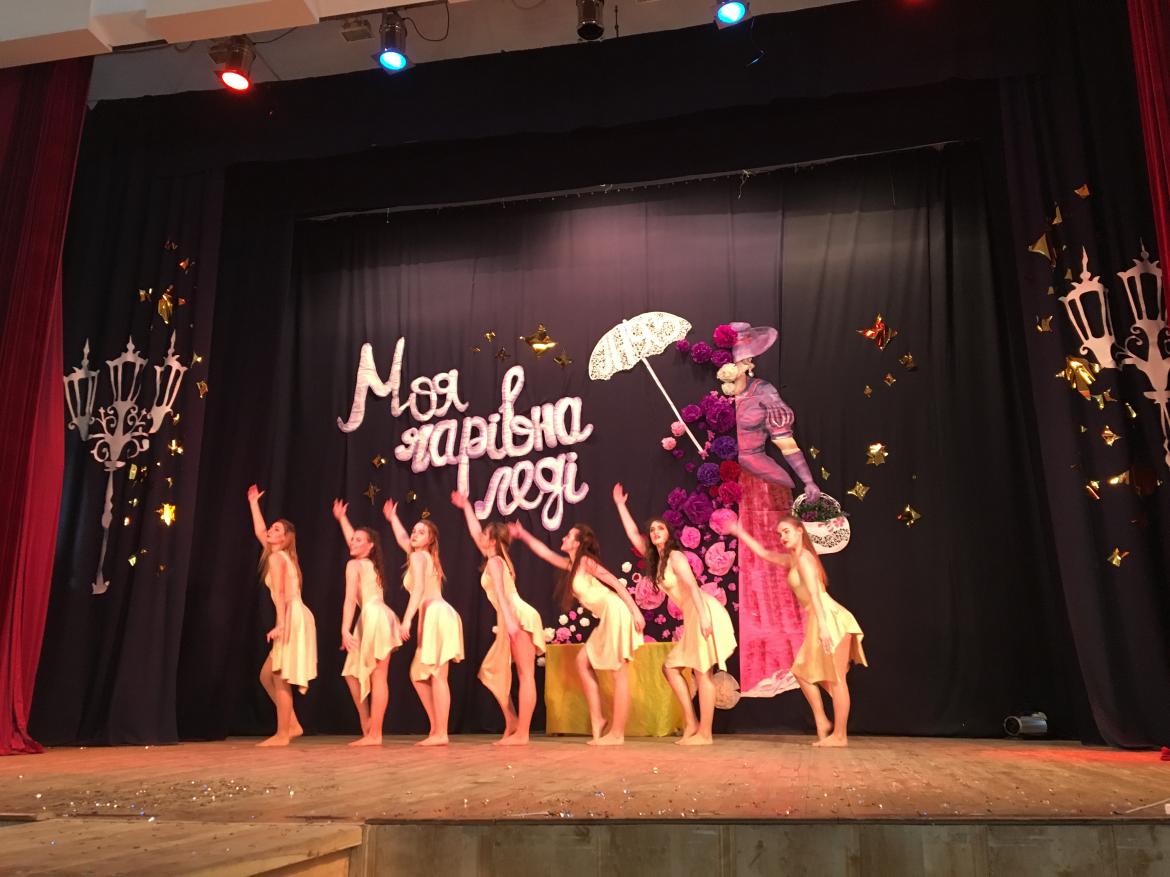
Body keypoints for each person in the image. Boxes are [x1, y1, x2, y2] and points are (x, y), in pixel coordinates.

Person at [612, 484, 737, 745]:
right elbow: (633, 534)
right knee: (670, 668)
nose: (656, 532)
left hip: (703, 609)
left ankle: (705, 734)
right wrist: (621, 505)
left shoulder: (676, 557)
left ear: (668, 533)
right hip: (693, 614)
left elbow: (692, 586)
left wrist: (704, 618)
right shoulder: (658, 560)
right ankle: (691, 723)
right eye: (653, 530)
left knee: (702, 672)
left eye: (660, 528)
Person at [730, 516, 866, 746]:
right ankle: (822, 720)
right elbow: (764, 553)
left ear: (800, 531)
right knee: (802, 672)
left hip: (829, 617)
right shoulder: (793, 559)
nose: (782, 537)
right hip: (819, 618)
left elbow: (815, 594)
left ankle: (840, 735)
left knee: (836, 679)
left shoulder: (804, 558)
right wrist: (739, 532)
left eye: (786, 531)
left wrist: (824, 627)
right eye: (779, 534)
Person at [509, 520, 645, 744]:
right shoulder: (571, 565)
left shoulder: (585, 561)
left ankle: (617, 734)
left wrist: (636, 612)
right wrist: (523, 534)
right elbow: (544, 553)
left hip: (616, 612)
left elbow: (615, 582)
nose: (564, 538)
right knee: (582, 662)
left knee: (619, 673)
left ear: (578, 543)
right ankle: (598, 718)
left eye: (569, 536)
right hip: (608, 616)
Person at [450, 492, 545, 745]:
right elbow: (474, 532)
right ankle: (512, 722)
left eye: (485, 534)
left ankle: (522, 733)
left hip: (516, 616)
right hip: (509, 618)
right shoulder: (498, 559)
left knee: (525, 675)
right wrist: (466, 506)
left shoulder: (495, 562)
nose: (479, 536)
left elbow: (502, 594)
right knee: (492, 671)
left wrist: (511, 623)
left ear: (492, 540)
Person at [383, 500, 463, 746]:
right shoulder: (421, 555)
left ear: (430, 539)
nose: (415, 535)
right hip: (432, 617)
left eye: (421, 532)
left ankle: (441, 733)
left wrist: (406, 620)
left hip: (437, 615)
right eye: (414, 531)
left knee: (437, 675)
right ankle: (436, 728)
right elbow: (402, 538)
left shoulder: (420, 557)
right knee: (418, 674)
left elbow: (418, 589)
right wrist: (393, 518)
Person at [246, 484, 317, 747]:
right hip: (294, 614)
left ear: (285, 538)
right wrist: (254, 503)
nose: (270, 531)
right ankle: (293, 724)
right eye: (272, 528)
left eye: (276, 529)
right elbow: (258, 531)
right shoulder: (278, 556)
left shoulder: (278, 559)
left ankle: (282, 734)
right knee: (267, 675)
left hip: (291, 615)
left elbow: (283, 594)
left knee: (279, 675)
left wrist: (281, 624)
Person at [332, 499, 403, 746]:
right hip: (381, 616)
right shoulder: (370, 564)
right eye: (352, 539)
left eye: (359, 540)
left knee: (374, 676)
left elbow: (350, 599)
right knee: (357, 674)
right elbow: (356, 542)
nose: (353, 542)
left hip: (373, 617)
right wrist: (343, 519)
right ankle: (370, 726)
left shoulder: (355, 564)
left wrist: (344, 629)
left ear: (370, 546)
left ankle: (373, 733)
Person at [723, 322, 820, 500]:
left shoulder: (763, 391)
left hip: (763, 482)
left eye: (739, 360)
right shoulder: (715, 395)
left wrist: (808, 481)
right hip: (725, 482)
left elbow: (786, 443)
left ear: (748, 362)